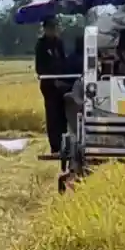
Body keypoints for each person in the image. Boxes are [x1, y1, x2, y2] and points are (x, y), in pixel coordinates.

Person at [34, 16, 72, 156]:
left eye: (54, 28)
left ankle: (64, 144)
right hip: (49, 85)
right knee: (52, 115)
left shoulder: (59, 43)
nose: (53, 30)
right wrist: (53, 80)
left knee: (63, 115)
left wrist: (63, 79)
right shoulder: (41, 45)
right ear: (44, 29)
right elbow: (40, 68)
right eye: (50, 28)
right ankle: (55, 147)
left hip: (62, 84)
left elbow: (63, 62)